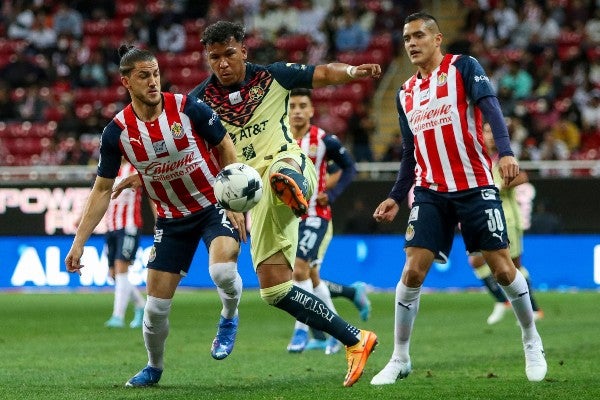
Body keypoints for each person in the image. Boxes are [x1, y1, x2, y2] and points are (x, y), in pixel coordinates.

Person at [188, 21, 381, 387]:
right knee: (274, 289)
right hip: (248, 194)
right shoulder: (198, 102)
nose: (223, 63)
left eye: (229, 54)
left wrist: (352, 71)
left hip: (287, 163)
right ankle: (356, 339)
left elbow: (322, 73)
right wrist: (229, 203)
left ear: (243, 50)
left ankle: (293, 186)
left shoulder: (273, 77)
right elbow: (193, 150)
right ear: (207, 59)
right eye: (215, 57)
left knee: (283, 170)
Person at [370, 12, 547, 385]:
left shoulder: (463, 67)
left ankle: (531, 338)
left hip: (475, 185)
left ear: (437, 39)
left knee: (501, 268)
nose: (412, 43)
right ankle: (400, 357)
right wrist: (396, 196)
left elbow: (490, 106)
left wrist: (506, 151)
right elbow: (409, 152)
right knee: (413, 271)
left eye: (419, 36)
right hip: (431, 191)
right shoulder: (404, 93)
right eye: (406, 39)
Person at [65, 45, 246, 388]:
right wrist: (79, 242)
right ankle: (154, 366)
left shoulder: (187, 108)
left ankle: (229, 315)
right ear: (126, 82)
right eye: (144, 76)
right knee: (155, 310)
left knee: (222, 269)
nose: (153, 82)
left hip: (211, 206)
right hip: (171, 220)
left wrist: (233, 200)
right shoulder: (116, 133)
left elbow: (223, 145)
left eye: (156, 74)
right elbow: (102, 189)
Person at [285, 88, 365, 355]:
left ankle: (300, 330)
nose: (297, 110)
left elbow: (349, 167)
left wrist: (330, 195)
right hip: (287, 218)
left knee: (299, 271)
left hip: (315, 216)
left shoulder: (324, 140)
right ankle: (338, 333)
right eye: (292, 105)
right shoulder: (279, 138)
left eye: (302, 105)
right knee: (311, 276)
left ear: (311, 110)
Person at [468, 122, 543, 325]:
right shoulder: (476, 154)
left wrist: (499, 185)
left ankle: (533, 308)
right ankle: (502, 301)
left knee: (514, 265)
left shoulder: (504, 155)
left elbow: (523, 176)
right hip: (483, 216)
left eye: (493, 132)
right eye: (486, 131)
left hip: (507, 216)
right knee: (476, 260)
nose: (490, 136)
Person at [103, 160, 152, 329]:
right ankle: (141, 305)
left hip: (129, 226)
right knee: (114, 274)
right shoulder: (110, 169)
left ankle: (118, 316)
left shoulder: (136, 169)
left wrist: (158, 220)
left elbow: (152, 194)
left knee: (121, 267)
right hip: (111, 227)